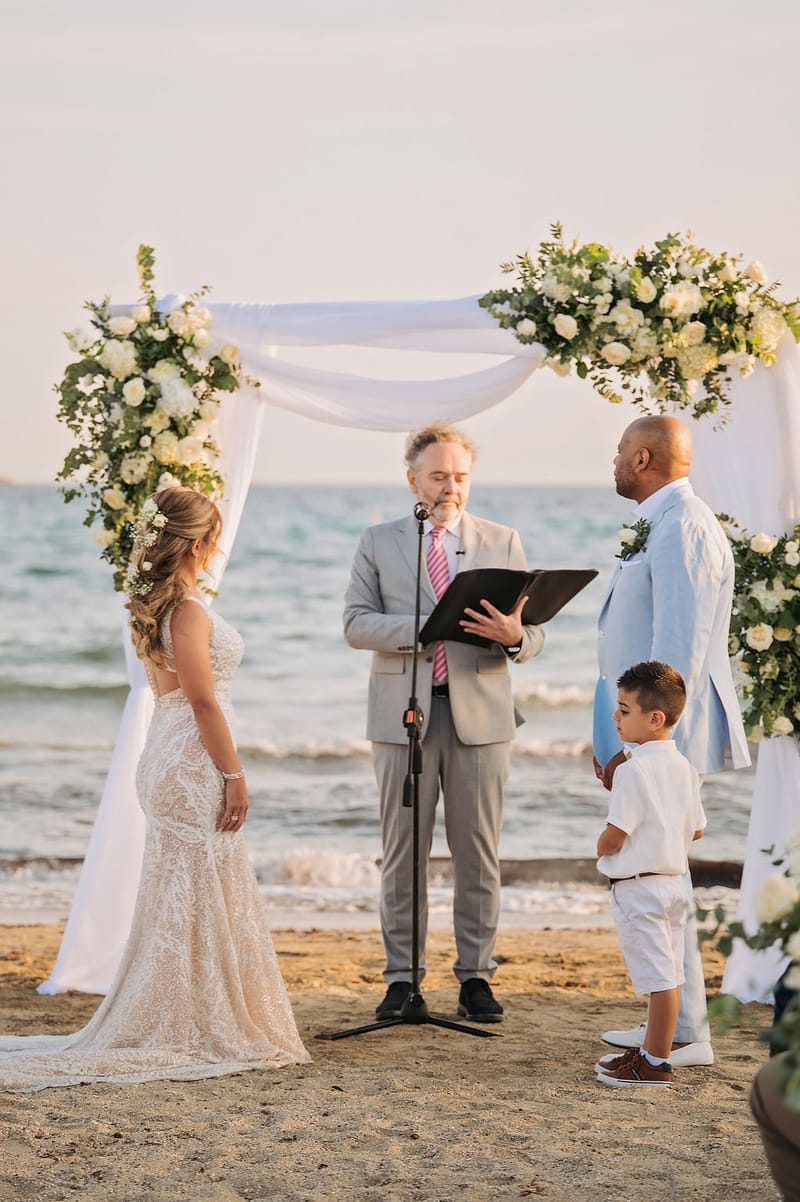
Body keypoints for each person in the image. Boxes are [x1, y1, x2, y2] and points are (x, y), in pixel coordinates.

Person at [0, 486, 308, 1089]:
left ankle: (186, 1011)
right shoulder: (187, 611)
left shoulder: (156, 604)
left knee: (182, 894)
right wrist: (235, 774)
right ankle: (190, 1021)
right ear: (194, 541)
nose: (217, 544)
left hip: (165, 756)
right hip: (189, 762)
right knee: (191, 890)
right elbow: (202, 700)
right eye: (213, 533)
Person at [344, 423, 544, 1022]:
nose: (450, 486)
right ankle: (402, 979)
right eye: (438, 475)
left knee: (477, 852)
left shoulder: (503, 540)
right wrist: (424, 629)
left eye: (459, 476)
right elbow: (355, 624)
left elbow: (531, 634)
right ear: (413, 479)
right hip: (401, 715)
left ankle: (476, 977)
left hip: (480, 716)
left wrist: (516, 637)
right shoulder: (378, 542)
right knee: (402, 852)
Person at [593, 414, 750, 1068]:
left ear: (644, 459)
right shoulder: (665, 521)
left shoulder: (682, 527)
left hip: (664, 738)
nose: (614, 461)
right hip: (652, 733)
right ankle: (675, 1024)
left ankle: (683, 1037)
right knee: (661, 879)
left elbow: (675, 651)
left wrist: (651, 749)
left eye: (621, 451)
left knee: (660, 882)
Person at [594, 661, 706, 1088]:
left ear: (654, 718)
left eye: (623, 711)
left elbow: (616, 833)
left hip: (640, 887)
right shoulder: (685, 768)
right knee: (670, 973)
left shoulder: (633, 770)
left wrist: (600, 846)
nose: (615, 718)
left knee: (660, 979)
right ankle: (650, 1051)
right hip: (674, 882)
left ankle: (655, 1062)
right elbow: (697, 829)